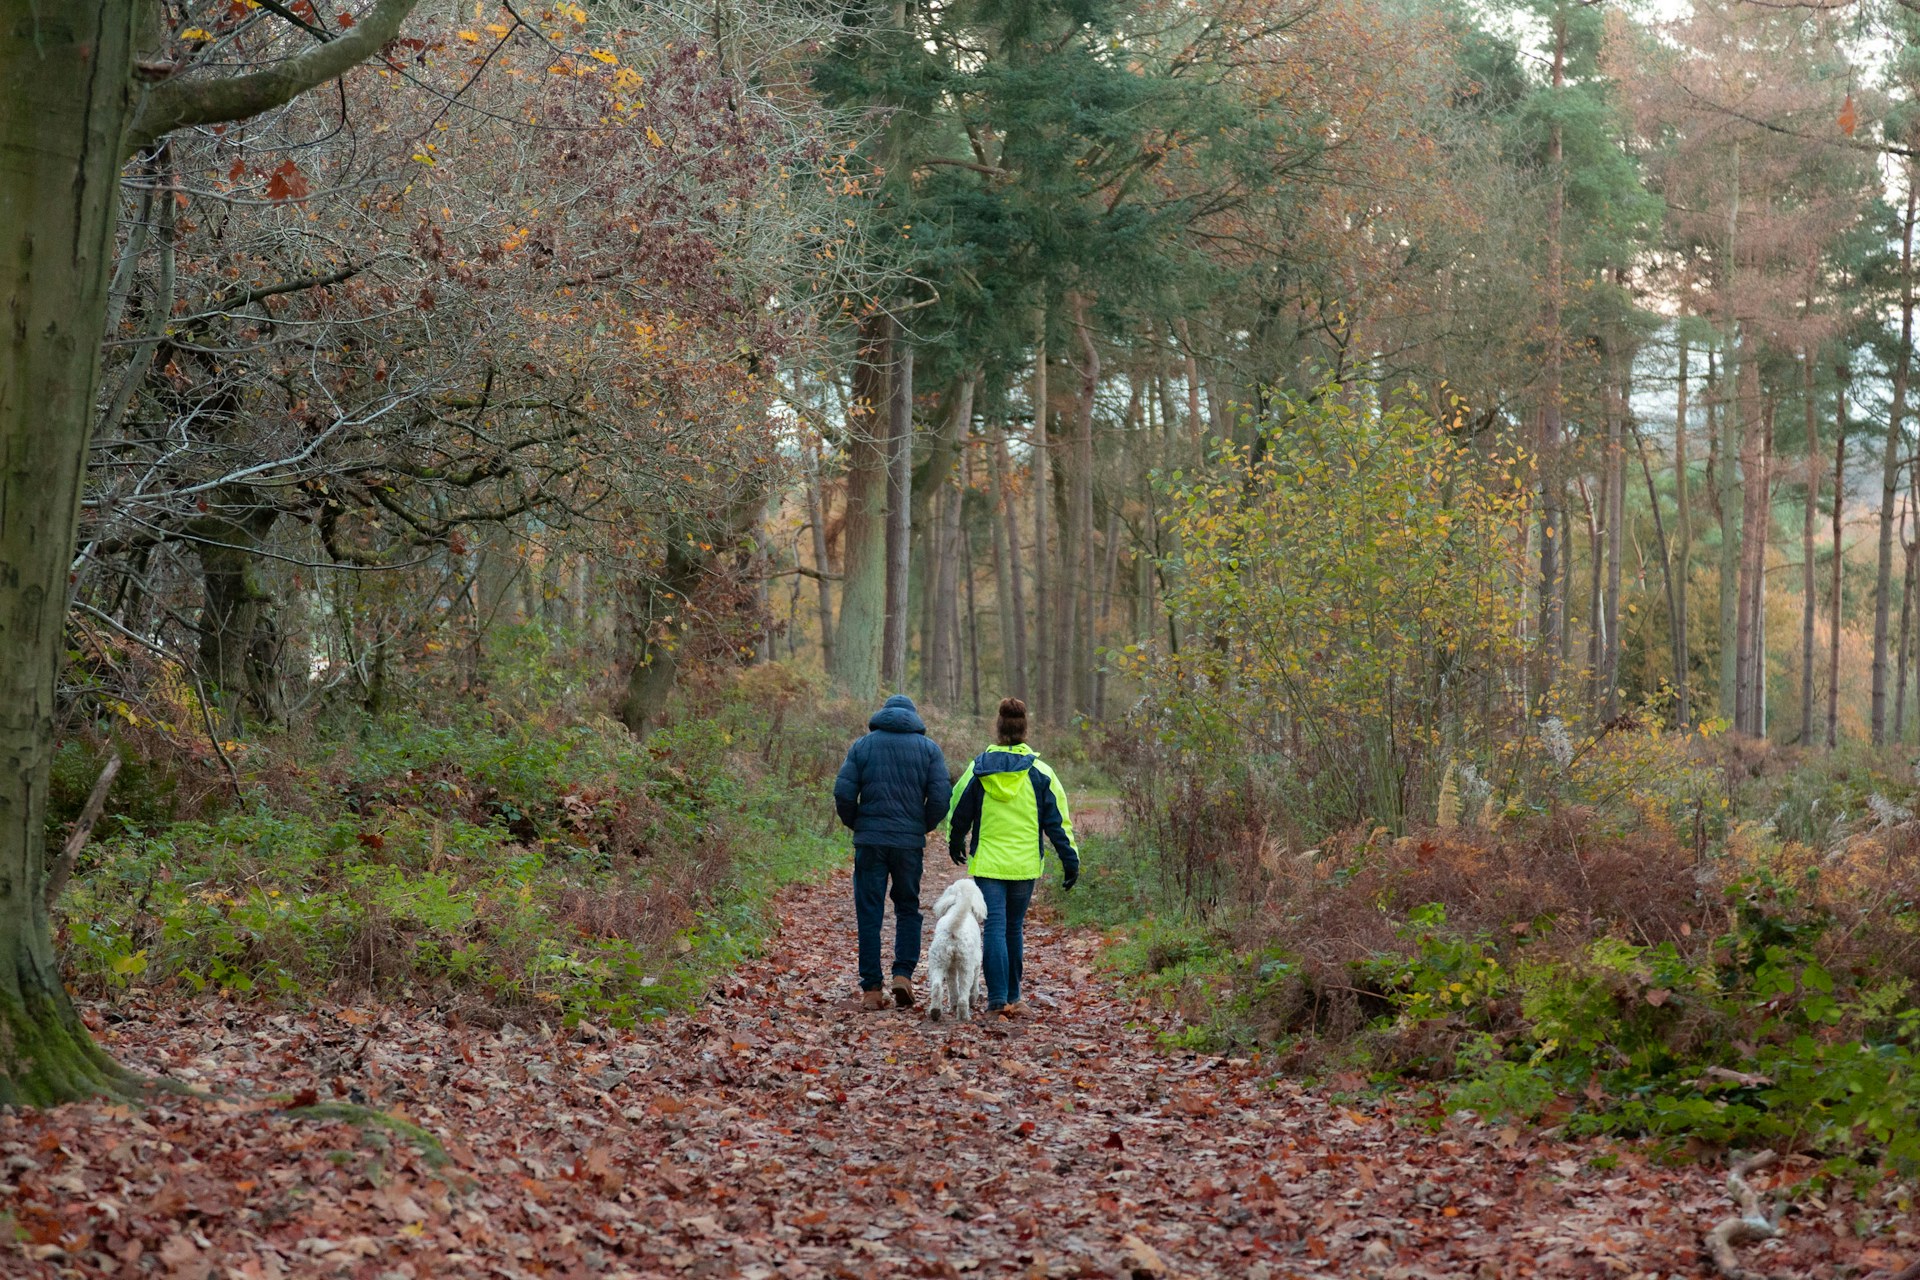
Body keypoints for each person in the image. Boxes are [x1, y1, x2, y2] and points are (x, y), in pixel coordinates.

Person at [946, 697, 1078, 1018]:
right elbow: (1057, 822)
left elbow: (959, 809)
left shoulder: (978, 769)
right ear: (1024, 728)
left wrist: (955, 839)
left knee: (994, 927)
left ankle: (996, 1002)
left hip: (989, 864)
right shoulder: (1041, 772)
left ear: (999, 727)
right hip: (1024, 864)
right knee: (1013, 928)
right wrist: (1069, 857)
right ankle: (1014, 999)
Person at [833, 694, 952, 1010]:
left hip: (870, 842)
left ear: (882, 715)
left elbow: (843, 793)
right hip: (908, 844)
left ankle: (872, 987)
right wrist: (919, 826)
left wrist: (857, 823)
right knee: (908, 908)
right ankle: (903, 974)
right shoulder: (929, 750)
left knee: (869, 911)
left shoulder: (863, 746)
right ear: (914, 718)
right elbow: (941, 798)